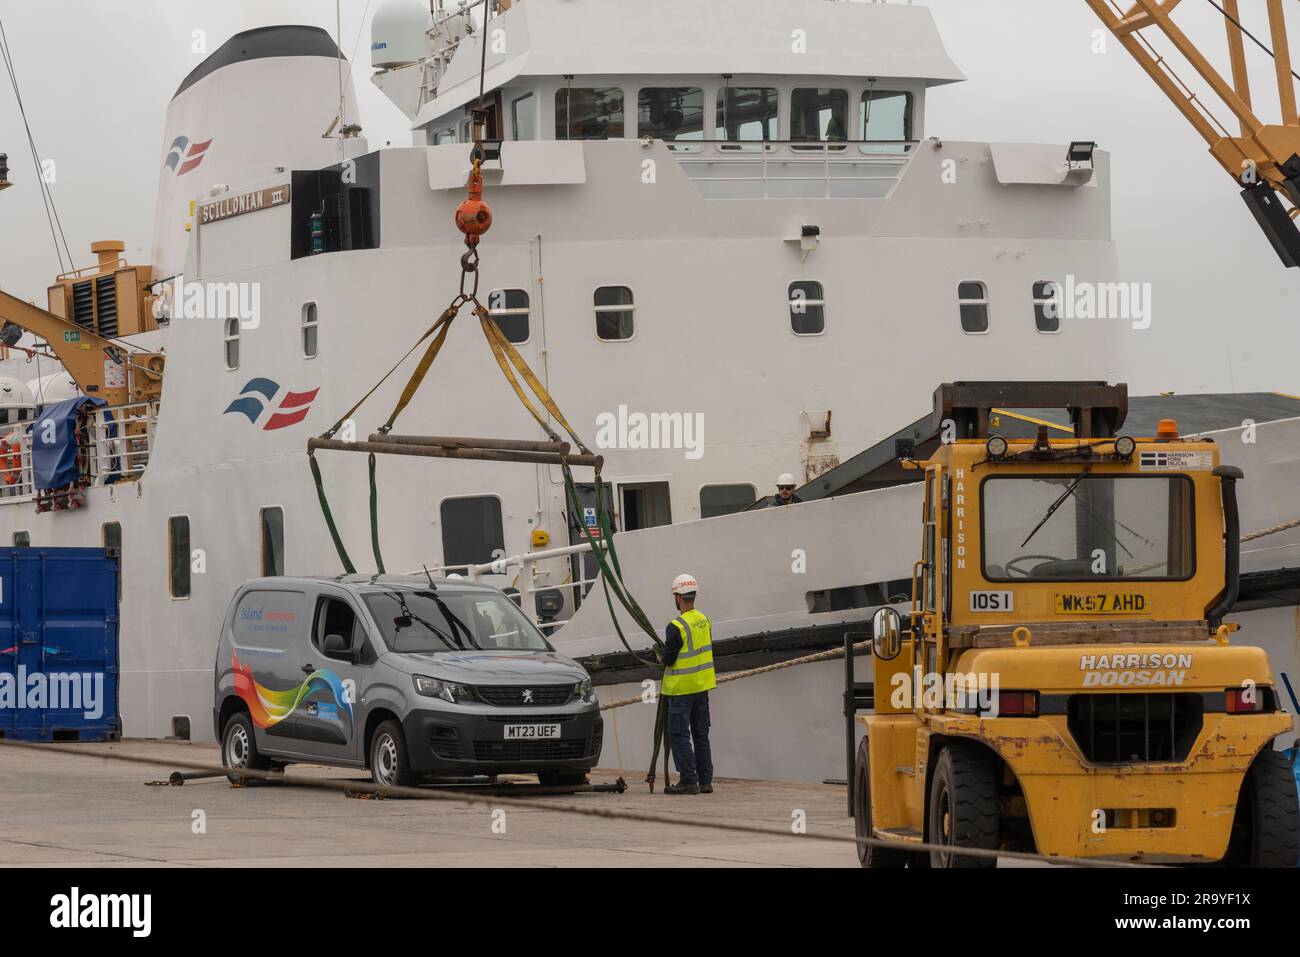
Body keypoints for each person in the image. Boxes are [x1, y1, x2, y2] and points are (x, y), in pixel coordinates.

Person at [659, 573, 716, 795]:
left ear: (678, 598)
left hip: (682, 689)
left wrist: (659, 658)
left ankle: (688, 780)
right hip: (702, 687)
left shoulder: (676, 626)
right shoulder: (705, 620)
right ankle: (706, 781)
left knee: (679, 734)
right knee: (701, 734)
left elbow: (669, 659)